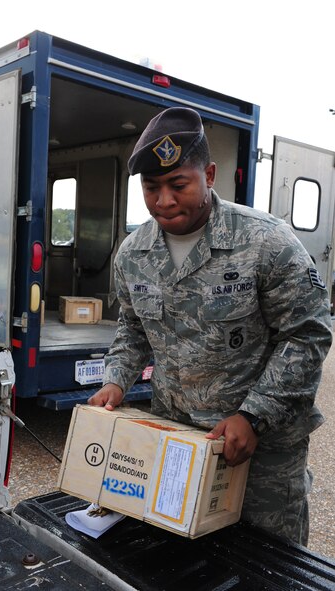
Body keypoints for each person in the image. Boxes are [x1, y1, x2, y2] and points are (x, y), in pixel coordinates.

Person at [88, 107, 333, 545]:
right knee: (181, 551)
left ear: (210, 174)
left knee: (265, 560)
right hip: (178, 434)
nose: (163, 201)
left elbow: (307, 335)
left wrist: (254, 416)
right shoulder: (133, 254)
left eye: (178, 185)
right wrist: (116, 381)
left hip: (263, 449)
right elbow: (132, 329)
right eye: (150, 188)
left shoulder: (266, 242)